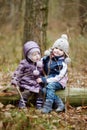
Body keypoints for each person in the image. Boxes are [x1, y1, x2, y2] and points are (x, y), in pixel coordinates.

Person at [37, 34, 71, 113]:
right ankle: (60, 104)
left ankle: (48, 107)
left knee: (50, 86)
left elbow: (58, 78)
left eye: (61, 50)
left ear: (64, 53)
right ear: (52, 48)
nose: (57, 50)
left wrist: (44, 80)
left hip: (58, 82)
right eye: (56, 48)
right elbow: (40, 63)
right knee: (44, 90)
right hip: (48, 79)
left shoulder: (63, 64)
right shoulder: (48, 58)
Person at [11, 41, 44, 109]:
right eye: (34, 55)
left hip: (36, 82)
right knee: (27, 92)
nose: (37, 56)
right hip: (26, 82)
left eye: (38, 54)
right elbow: (18, 72)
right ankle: (22, 104)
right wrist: (15, 80)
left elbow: (43, 73)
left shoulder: (40, 63)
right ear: (28, 56)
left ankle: (39, 105)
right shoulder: (24, 63)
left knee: (40, 91)